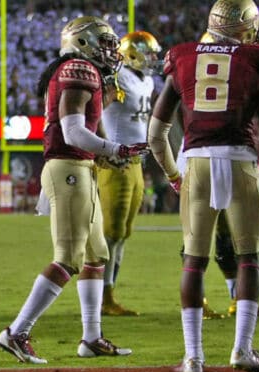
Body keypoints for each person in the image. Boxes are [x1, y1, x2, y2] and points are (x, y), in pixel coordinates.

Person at [0, 16, 148, 364]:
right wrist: (115, 150)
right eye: (106, 43)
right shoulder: (78, 70)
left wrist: (108, 149)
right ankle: (16, 332)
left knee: (97, 256)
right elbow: (73, 132)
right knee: (68, 257)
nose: (112, 51)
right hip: (68, 168)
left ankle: (91, 338)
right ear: (83, 43)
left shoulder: (85, 71)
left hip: (81, 169)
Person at [147, 0, 259, 372]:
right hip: (239, 160)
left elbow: (156, 134)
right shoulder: (258, 59)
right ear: (247, 26)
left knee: (194, 260)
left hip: (197, 163)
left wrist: (174, 174)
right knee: (248, 257)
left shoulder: (182, 57)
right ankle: (241, 349)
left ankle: (193, 357)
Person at [98, 31, 162, 317]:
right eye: (150, 53)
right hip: (117, 161)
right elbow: (96, 110)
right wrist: (102, 148)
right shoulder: (118, 76)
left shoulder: (145, 80)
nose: (154, 59)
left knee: (122, 234)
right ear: (132, 54)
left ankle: (109, 294)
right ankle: (101, 297)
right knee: (110, 233)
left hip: (136, 161)